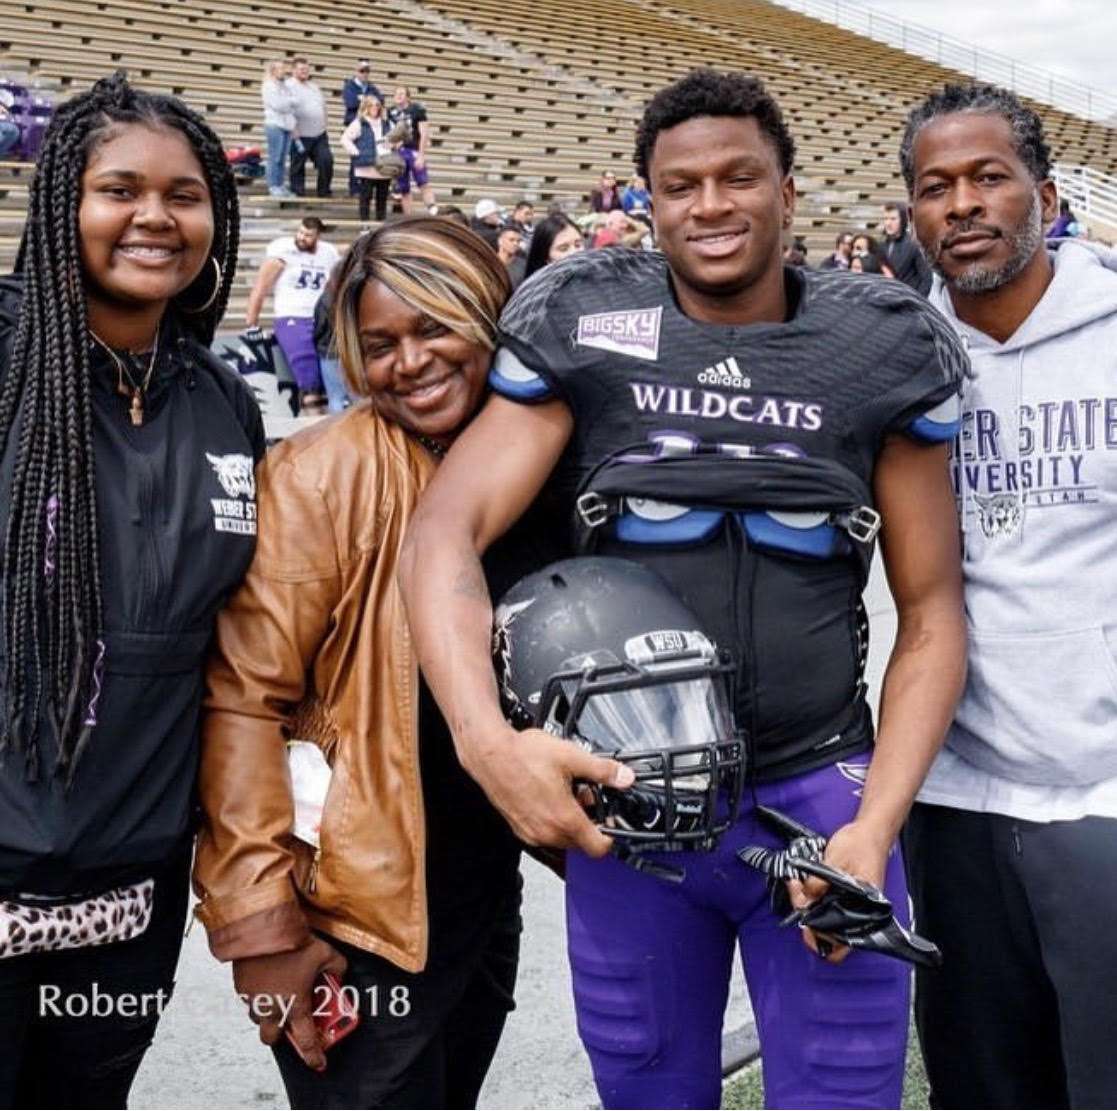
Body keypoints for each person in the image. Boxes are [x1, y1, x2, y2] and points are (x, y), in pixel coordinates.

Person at [399, 68, 967, 1110]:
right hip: (634, 814)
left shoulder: (879, 344)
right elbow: (445, 531)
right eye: (681, 185)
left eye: (738, 178)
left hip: (821, 800)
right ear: (647, 201)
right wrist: (490, 746)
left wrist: (874, 824)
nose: (710, 205)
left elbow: (930, 609)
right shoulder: (586, 315)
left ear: (788, 192)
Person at [193, 217, 530, 1109]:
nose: (408, 362)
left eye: (433, 328)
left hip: (479, 890)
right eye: (378, 345)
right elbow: (240, 704)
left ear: (488, 314)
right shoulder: (315, 476)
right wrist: (259, 927)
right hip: (356, 916)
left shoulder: (527, 456)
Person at [0, 72, 264, 1108]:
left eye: (184, 195)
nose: (154, 216)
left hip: (128, 894)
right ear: (64, 201)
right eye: (119, 189)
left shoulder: (219, 399)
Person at [902, 81, 1117, 1110]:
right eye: (935, 185)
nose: (963, 203)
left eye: (989, 176)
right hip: (953, 799)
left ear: (1042, 189)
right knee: (984, 1088)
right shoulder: (896, 359)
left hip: (1103, 795)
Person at [244, 216, 340, 413]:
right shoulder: (283, 250)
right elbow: (261, 287)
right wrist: (251, 323)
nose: (302, 237)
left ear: (318, 236)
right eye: (300, 232)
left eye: (308, 235)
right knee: (307, 378)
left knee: (329, 377)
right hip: (292, 316)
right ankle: (312, 429)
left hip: (322, 317)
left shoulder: (328, 252)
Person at [340, 95, 391, 223]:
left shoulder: (387, 123)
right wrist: (356, 152)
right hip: (366, 167)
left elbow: (398, 138)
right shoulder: (359, 123)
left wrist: (393, 146)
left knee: (382, 198)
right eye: (371, 105)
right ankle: (365, 225)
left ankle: (380, 224)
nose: (375, 108)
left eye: (377, 105)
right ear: (366, 107)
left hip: (384, 166)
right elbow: (345, 139)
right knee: (365, 198)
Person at [288, 56, 333, 198]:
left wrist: (324, 121)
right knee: (297, 166)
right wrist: (291, 128)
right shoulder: (288, 86)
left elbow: (322, 106)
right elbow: (285, 110)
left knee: (326, 160)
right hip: (299, 134)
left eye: (307, 69)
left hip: (319, 134)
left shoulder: (314, 86)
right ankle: (297, 192)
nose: (305, 72)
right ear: (293, 70)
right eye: (302, 69)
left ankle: (324, 191)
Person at [388, 85, 435, 214]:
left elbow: (424, 133)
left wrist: (421, 155)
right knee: (404, 189)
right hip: (398, 153)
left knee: (423, 182)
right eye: (396, 93)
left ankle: (433, 210)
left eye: (402, 93)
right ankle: (409, 218)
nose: (398, 96)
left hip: (413, 150)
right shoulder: (390, 112)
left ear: (408, 97)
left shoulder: (417, 110)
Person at [311, 261, 349, 413]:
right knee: (357, 398)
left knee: (335, 397)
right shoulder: (350, 296)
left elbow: (319, 326)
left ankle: (338, 431)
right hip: (348, 352)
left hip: (328, 352)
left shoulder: (325, 298)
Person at [342, 61, 383, 197]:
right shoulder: (349, 86)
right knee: (356, 156)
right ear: (356, 71)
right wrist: (366, 100)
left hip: (369, 124)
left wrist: (362, 99)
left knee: (368, 154)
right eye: (362, 71)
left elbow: (380, 100)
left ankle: (368, 187)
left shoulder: (372, 87)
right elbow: (350, 102)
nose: (365, 73)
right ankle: (354, 188)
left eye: (367, 71)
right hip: (355, 123)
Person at [261, 58, 296, 198]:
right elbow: (278, 105)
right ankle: (273, 185)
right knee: (275, 157)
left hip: (286, 124)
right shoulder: (269, 86)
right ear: (273, 70)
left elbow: (295, 102)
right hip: (275, 124)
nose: (284, 71)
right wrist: (289, 102)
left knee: (282, 157)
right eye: (281, 68)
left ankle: (280, 184)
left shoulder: (285, 86)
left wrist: (289, 102)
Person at [880, 200, 931, 294]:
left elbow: (927, 279)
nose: (888, 223)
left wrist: (915, 303)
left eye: (893, 219)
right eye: (886, 219)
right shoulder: (881, 246)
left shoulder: (914, 245)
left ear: (902, 220)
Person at [522, 211, 584, 279]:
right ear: (546, 257)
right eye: (564, 249)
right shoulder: (535, 288)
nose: (575, 252)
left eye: (578, 245)